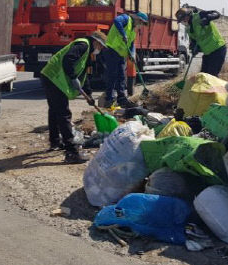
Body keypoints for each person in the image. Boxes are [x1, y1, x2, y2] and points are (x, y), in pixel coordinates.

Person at [40, 31, 107, 163]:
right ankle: (72, 152)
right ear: (96, 42)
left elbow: (83, 75)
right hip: (54, 78)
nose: (100, 50)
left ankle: (55, 142)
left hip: (50, 77)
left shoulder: (87, 52)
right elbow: (68, 59)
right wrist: (72, 77)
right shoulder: (83, 45)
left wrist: (89, 95)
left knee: (54, 111)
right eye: (101, 47)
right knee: (63, 113)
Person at [103, 12, 149, 108]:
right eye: (141, 22)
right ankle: (109, 99)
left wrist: (131, 54)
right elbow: (116, 21)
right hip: (112, 50)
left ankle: (121, 98)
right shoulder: (125, 18)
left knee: (121, 77)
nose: (140, 25)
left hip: (121, 54)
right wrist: (123, 34)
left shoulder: (132, 31)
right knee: (112, 75)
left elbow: (131, 44)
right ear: (138, 19)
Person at [176, 7, 227, 76]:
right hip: (207, 53)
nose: (183, 22)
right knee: (203, 75)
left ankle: (216, 86)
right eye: (181, 21)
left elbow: (216, 14)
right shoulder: (188, 29)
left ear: (188, 15)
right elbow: (195, 42)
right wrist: (194, 49)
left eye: (183, 19)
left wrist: (208, 18)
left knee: (212, 75)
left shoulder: (200, 16)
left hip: (217, 49)